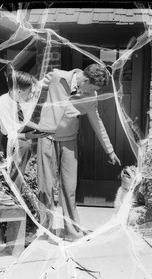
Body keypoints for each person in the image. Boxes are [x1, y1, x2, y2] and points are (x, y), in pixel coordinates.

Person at [37, 63, 121, 242]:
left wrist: (110, 150)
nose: (94, 92)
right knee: (46, 187)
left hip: (69, 142)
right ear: (85, 79)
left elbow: (97, 123)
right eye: (93, 87)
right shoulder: (57, 76)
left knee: (69, 187)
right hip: (46, 138)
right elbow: (33, 89)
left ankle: (73, 231)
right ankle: (46, 230)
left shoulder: (91, 96)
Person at [0, 69, 49, 190]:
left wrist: (39, 128)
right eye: (29, 91)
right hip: (11, 138)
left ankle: (16, 189)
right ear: (18, 90)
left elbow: (24, 121)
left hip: (24, 133)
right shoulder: (1, 104)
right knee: (24, 147)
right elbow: (10, 134)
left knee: (25, 152)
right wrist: (28, 136)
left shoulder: (23, 99)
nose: (31, 94)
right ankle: (13, 192)